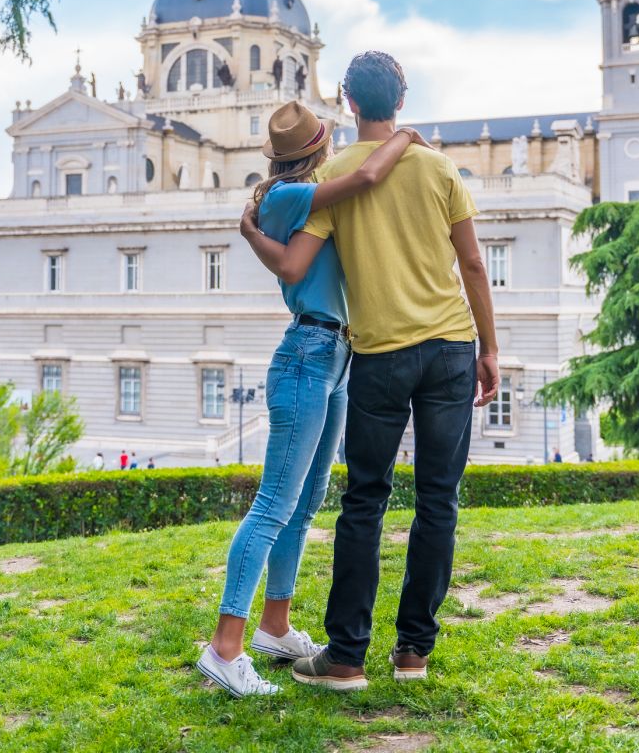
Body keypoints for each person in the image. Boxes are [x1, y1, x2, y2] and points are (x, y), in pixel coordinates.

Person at [241, 51, 499, 690]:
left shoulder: (333, 176)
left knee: (365, 500)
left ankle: (347, 656)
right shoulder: (440, 169)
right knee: (439, 499)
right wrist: (489, 349)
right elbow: (472, 265)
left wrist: (250, 230)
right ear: (401, 100)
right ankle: (414, 652)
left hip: (380, 353)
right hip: (449, 349)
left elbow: (298, 263)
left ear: (348, 103)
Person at [197, 99, 430, 699]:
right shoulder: (289, 197)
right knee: (274, 504)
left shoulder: (288, 197)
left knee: (304, 504)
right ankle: (226, 649)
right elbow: (369, 177)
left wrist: (249, 235)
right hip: (308, 353)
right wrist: (404, 136)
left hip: (335, 354)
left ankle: (275, 626)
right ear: (318, 150)